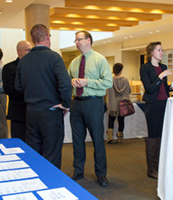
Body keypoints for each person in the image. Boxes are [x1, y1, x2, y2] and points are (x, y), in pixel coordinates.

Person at [15, 24, 72, 169]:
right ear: (47, 36)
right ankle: (51, 186)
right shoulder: (54, 57)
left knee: (34, 152)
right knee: (52, 153)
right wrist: (65, 104)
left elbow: (18, 87)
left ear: (32, 39)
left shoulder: (24, 61)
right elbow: (65, 84)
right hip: (51, 112)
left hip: (31, 113)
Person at [68, 30, 113, 187]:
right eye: (76, 40)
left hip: (94, 103)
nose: (77, 42)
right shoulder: (74, 62)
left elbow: (108, 82)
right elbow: (68, 82)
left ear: (89, 40)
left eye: (80, 39)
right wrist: (72, 82)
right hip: (76, 103)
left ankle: (101, 174)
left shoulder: (100, 60)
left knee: (97, 140)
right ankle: (78, 171)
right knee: (77, 140)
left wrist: (88, 82)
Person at [140, 41, 173, 179]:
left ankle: (160, 165)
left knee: (162, 135)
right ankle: (151, 168)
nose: (162, 52)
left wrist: (171, 88)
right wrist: (161, 76)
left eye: (162, 50)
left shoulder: (163, 66)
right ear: (151, 52)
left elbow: (162, 88)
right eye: (159, 50)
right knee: (153, 135)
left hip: (165, 103)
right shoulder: (145, 68)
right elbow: (150, 89)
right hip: (152, 104)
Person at [2, 41, 32, 142]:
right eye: (28, 50)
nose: (31, 53)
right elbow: (9, 89)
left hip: (34, 114)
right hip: (18, 114)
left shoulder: (35, 67)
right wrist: (31, 92)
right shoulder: (9, 68)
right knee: (20, 143)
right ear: (19, 52)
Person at [106, 63, 131, 143]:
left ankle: (110, 136)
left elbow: (107, 92)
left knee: (111, 119)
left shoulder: (110, 80)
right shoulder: (125, 80)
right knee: (121, 120)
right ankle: (120, 137)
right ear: (121, 70)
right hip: (122, 104)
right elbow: (129, 91)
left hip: (113, 103)